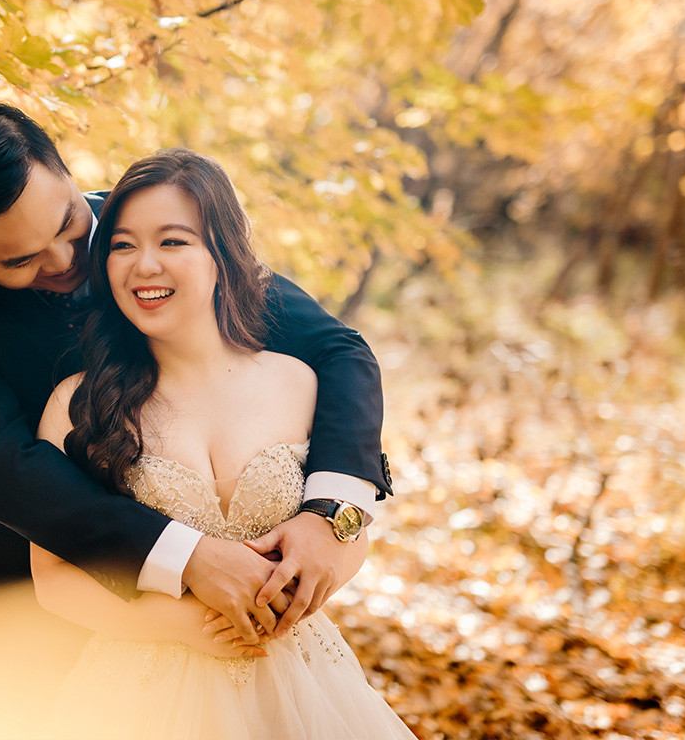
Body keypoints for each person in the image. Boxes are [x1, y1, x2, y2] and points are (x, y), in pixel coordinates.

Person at [0, 101, 394, 734]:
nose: (64, 260)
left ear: (68, 176)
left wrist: (332, 514)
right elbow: (5, 467)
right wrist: (184, 556)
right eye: (19, 261)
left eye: (71, 224)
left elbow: (339, 351)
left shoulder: (153, 229)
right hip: (44, 578)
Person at [31, 148, 415, 739]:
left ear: (223, 255)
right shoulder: (77, 404)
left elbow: (351, 529)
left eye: (174, 242)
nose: (144, 265)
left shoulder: (298, 382)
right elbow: (53, 578)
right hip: (139, 692)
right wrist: (177, 627)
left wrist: (309, 589)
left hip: (299, 681)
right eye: (123, 245)